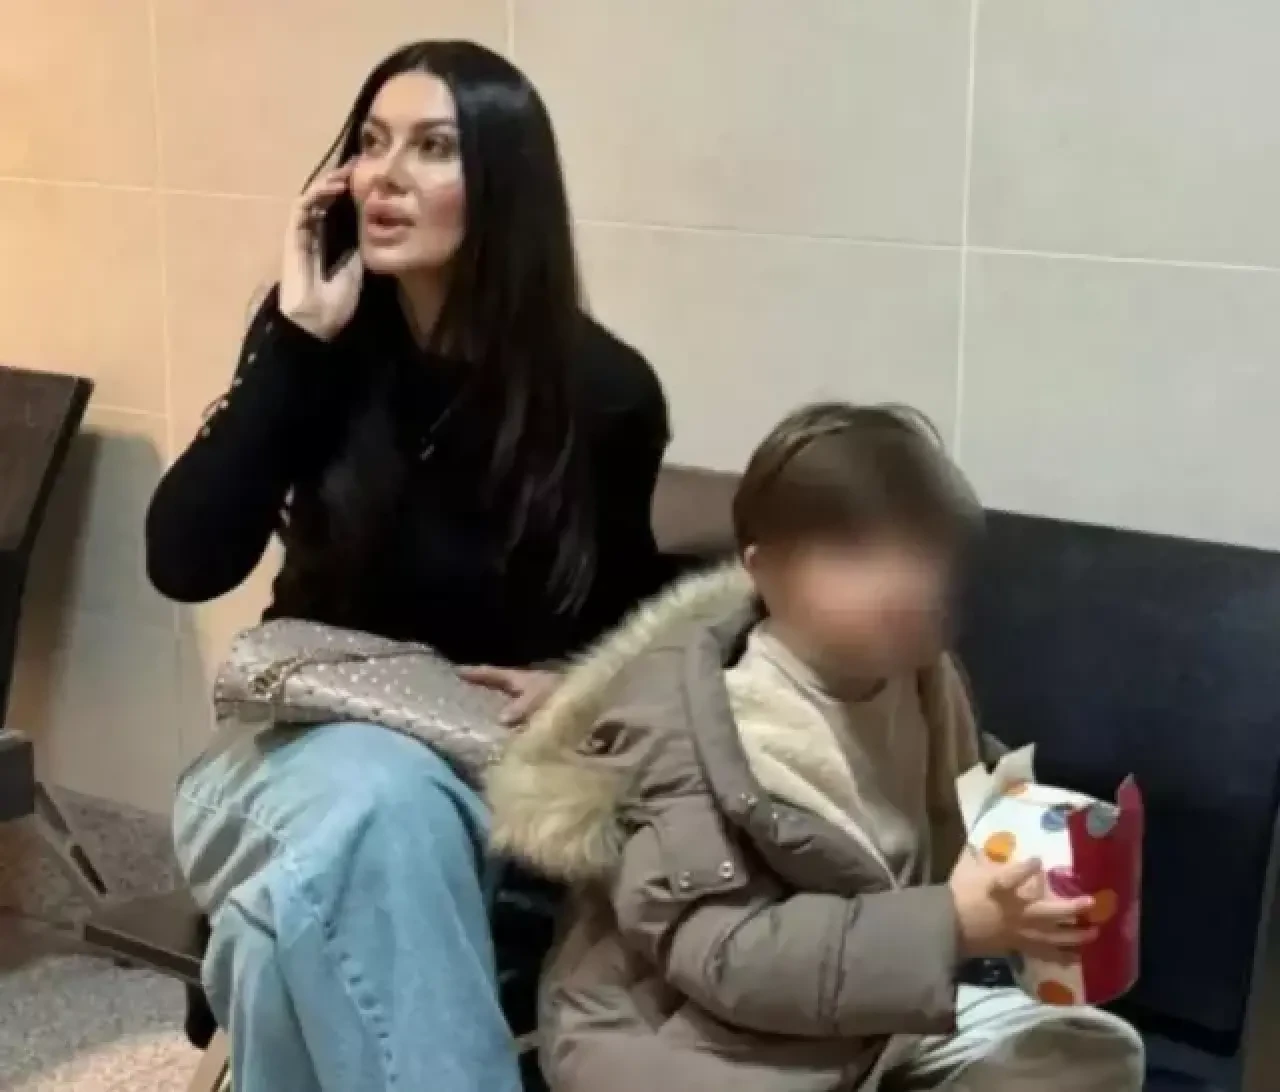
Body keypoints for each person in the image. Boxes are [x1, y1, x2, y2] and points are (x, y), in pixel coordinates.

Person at [149, 40, 670, 1092]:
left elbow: (632, 624)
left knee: (272, 937)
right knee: (378, 797)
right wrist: (295, 346)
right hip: (274, 766)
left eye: (432, 148)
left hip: (482, 791)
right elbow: (185, 560)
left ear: (506, 187)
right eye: (372, 143)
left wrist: (584, 683)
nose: (384, 175)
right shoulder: (319, 346)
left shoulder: (601, 393)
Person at [487, 403, 1145, 1091]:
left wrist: (1033, 855)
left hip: (879, 1003)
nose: (900, 583)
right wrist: (950, 925)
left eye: (921, 552)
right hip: (698, 1032)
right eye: (854, 554)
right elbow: (727, 957)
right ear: (763, 571)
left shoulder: (924, 676)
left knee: (1091, 1051)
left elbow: (957, 799)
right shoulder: (697, 738)